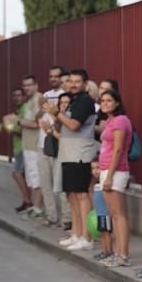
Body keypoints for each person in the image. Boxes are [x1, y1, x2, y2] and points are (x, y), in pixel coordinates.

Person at [43, 69, 97, 251]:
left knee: (81, 195)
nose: (72, 84)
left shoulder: (85, 101)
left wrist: (57, 113)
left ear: (85, 83)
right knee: (71, 196)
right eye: (70, 81)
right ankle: (76, 233)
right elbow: (64, 124)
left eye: (77, 81)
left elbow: (74, 125)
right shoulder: (72, 101)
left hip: (80, 154)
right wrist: (55, 115)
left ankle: (86, 237)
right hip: (68, 153)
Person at [97, 89, 133, 267]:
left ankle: (123, 255)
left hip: (116, 172)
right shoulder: (111, 120)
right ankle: (118, 253)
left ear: (117, 103)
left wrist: (109, 176)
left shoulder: (120, 120)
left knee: (118, 214)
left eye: (109, 100)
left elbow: (118, 149)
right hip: (106, 170)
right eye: (102, 100)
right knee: (113, 214)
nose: (105, 103)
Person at [37, 66, 67, 226]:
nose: (53, 79)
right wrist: (41, 104)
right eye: (51, 76)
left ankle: (65, 218)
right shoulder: (45, 95)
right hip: (43, 143)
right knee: (45, 183)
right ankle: (51, 216)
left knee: (59, 184)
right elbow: (38, 116)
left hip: (57, 142)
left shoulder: (66, 97)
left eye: (57, 76)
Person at [3, 87, 31, 213]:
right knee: (22, 174)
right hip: (18, 146)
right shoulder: (19, 109)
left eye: (20, 95)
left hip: (23, 146)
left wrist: (9, 126)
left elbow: (22, 130)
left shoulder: (25, 108)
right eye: (15, 95)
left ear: (24, 96)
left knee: (17, 173)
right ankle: (26, 201)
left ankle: (28, 201)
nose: (17, 98)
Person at [19, 75, 44, 219]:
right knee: (31, 178)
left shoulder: (38, 99)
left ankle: (38, 208)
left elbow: (37, 123)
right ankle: (34, 207)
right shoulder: (29, 101)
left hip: (35, 145)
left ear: (36, 85)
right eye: (25, 85)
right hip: (28, 145)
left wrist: (19, 122)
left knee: (36, 178)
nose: (26, 88)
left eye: (29, 85)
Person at [91, 159, 113, 260]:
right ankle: (104, 251)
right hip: (99, 214)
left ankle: (109, 252)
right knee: (102, 233)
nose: (95, 171)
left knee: (106, 232)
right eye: (93, 168)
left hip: (105, 214)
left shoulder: (104, 184)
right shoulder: (95, 185)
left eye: (98, 168)